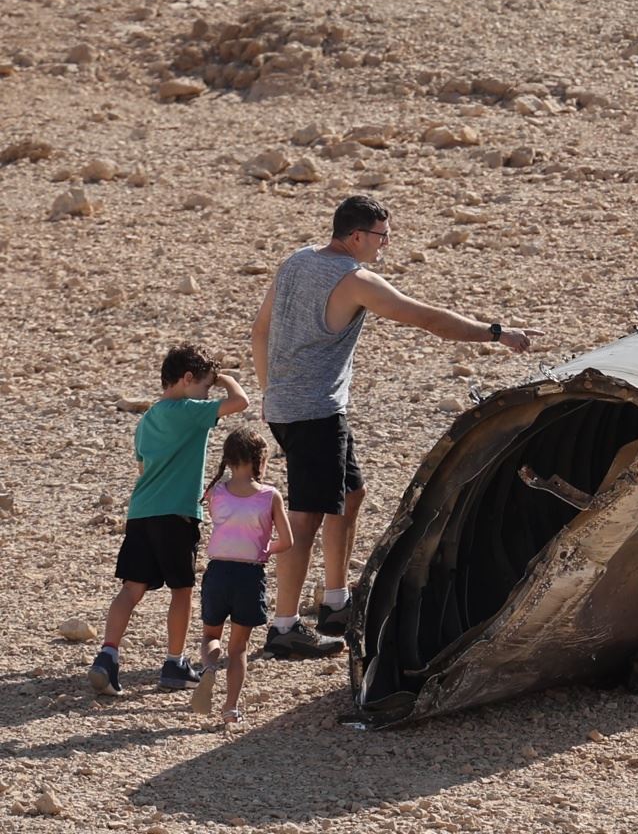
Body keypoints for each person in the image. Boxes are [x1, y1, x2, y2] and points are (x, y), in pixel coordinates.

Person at [250, 195, 543, 657]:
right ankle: (284, 627)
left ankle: (335, 601)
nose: (385, 245)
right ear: (356, 237)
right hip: (313, 413)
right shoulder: (354, 280)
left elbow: (259, 329)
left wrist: (271, 393)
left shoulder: (297, 261)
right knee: (305, 519)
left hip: (296, 407)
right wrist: (496, 333)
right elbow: (426, 319)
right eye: (382, 237)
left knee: (350, 494)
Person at [88, 346, 249, 696]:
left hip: (142, 512)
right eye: (204, 386)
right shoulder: (190, 410)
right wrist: (224, 379)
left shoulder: (146, 420)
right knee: (181, 589)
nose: (207, 394)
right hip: (177, 514)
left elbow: (143, 468)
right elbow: (241, 402)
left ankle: (107, 654)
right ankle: (174, 662)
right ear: (188, 379)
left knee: (131, 588)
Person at [191, 428, 292, 725]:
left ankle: (209, 667)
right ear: (260, 460)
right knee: (239, 649)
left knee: (211, 635)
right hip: (250, 574)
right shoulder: (270, 496)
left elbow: (217, 521)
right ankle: (230, 709)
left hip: (219, 571)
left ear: (229, 459)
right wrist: (264, 549)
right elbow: (287, 542)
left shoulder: (215, 492)